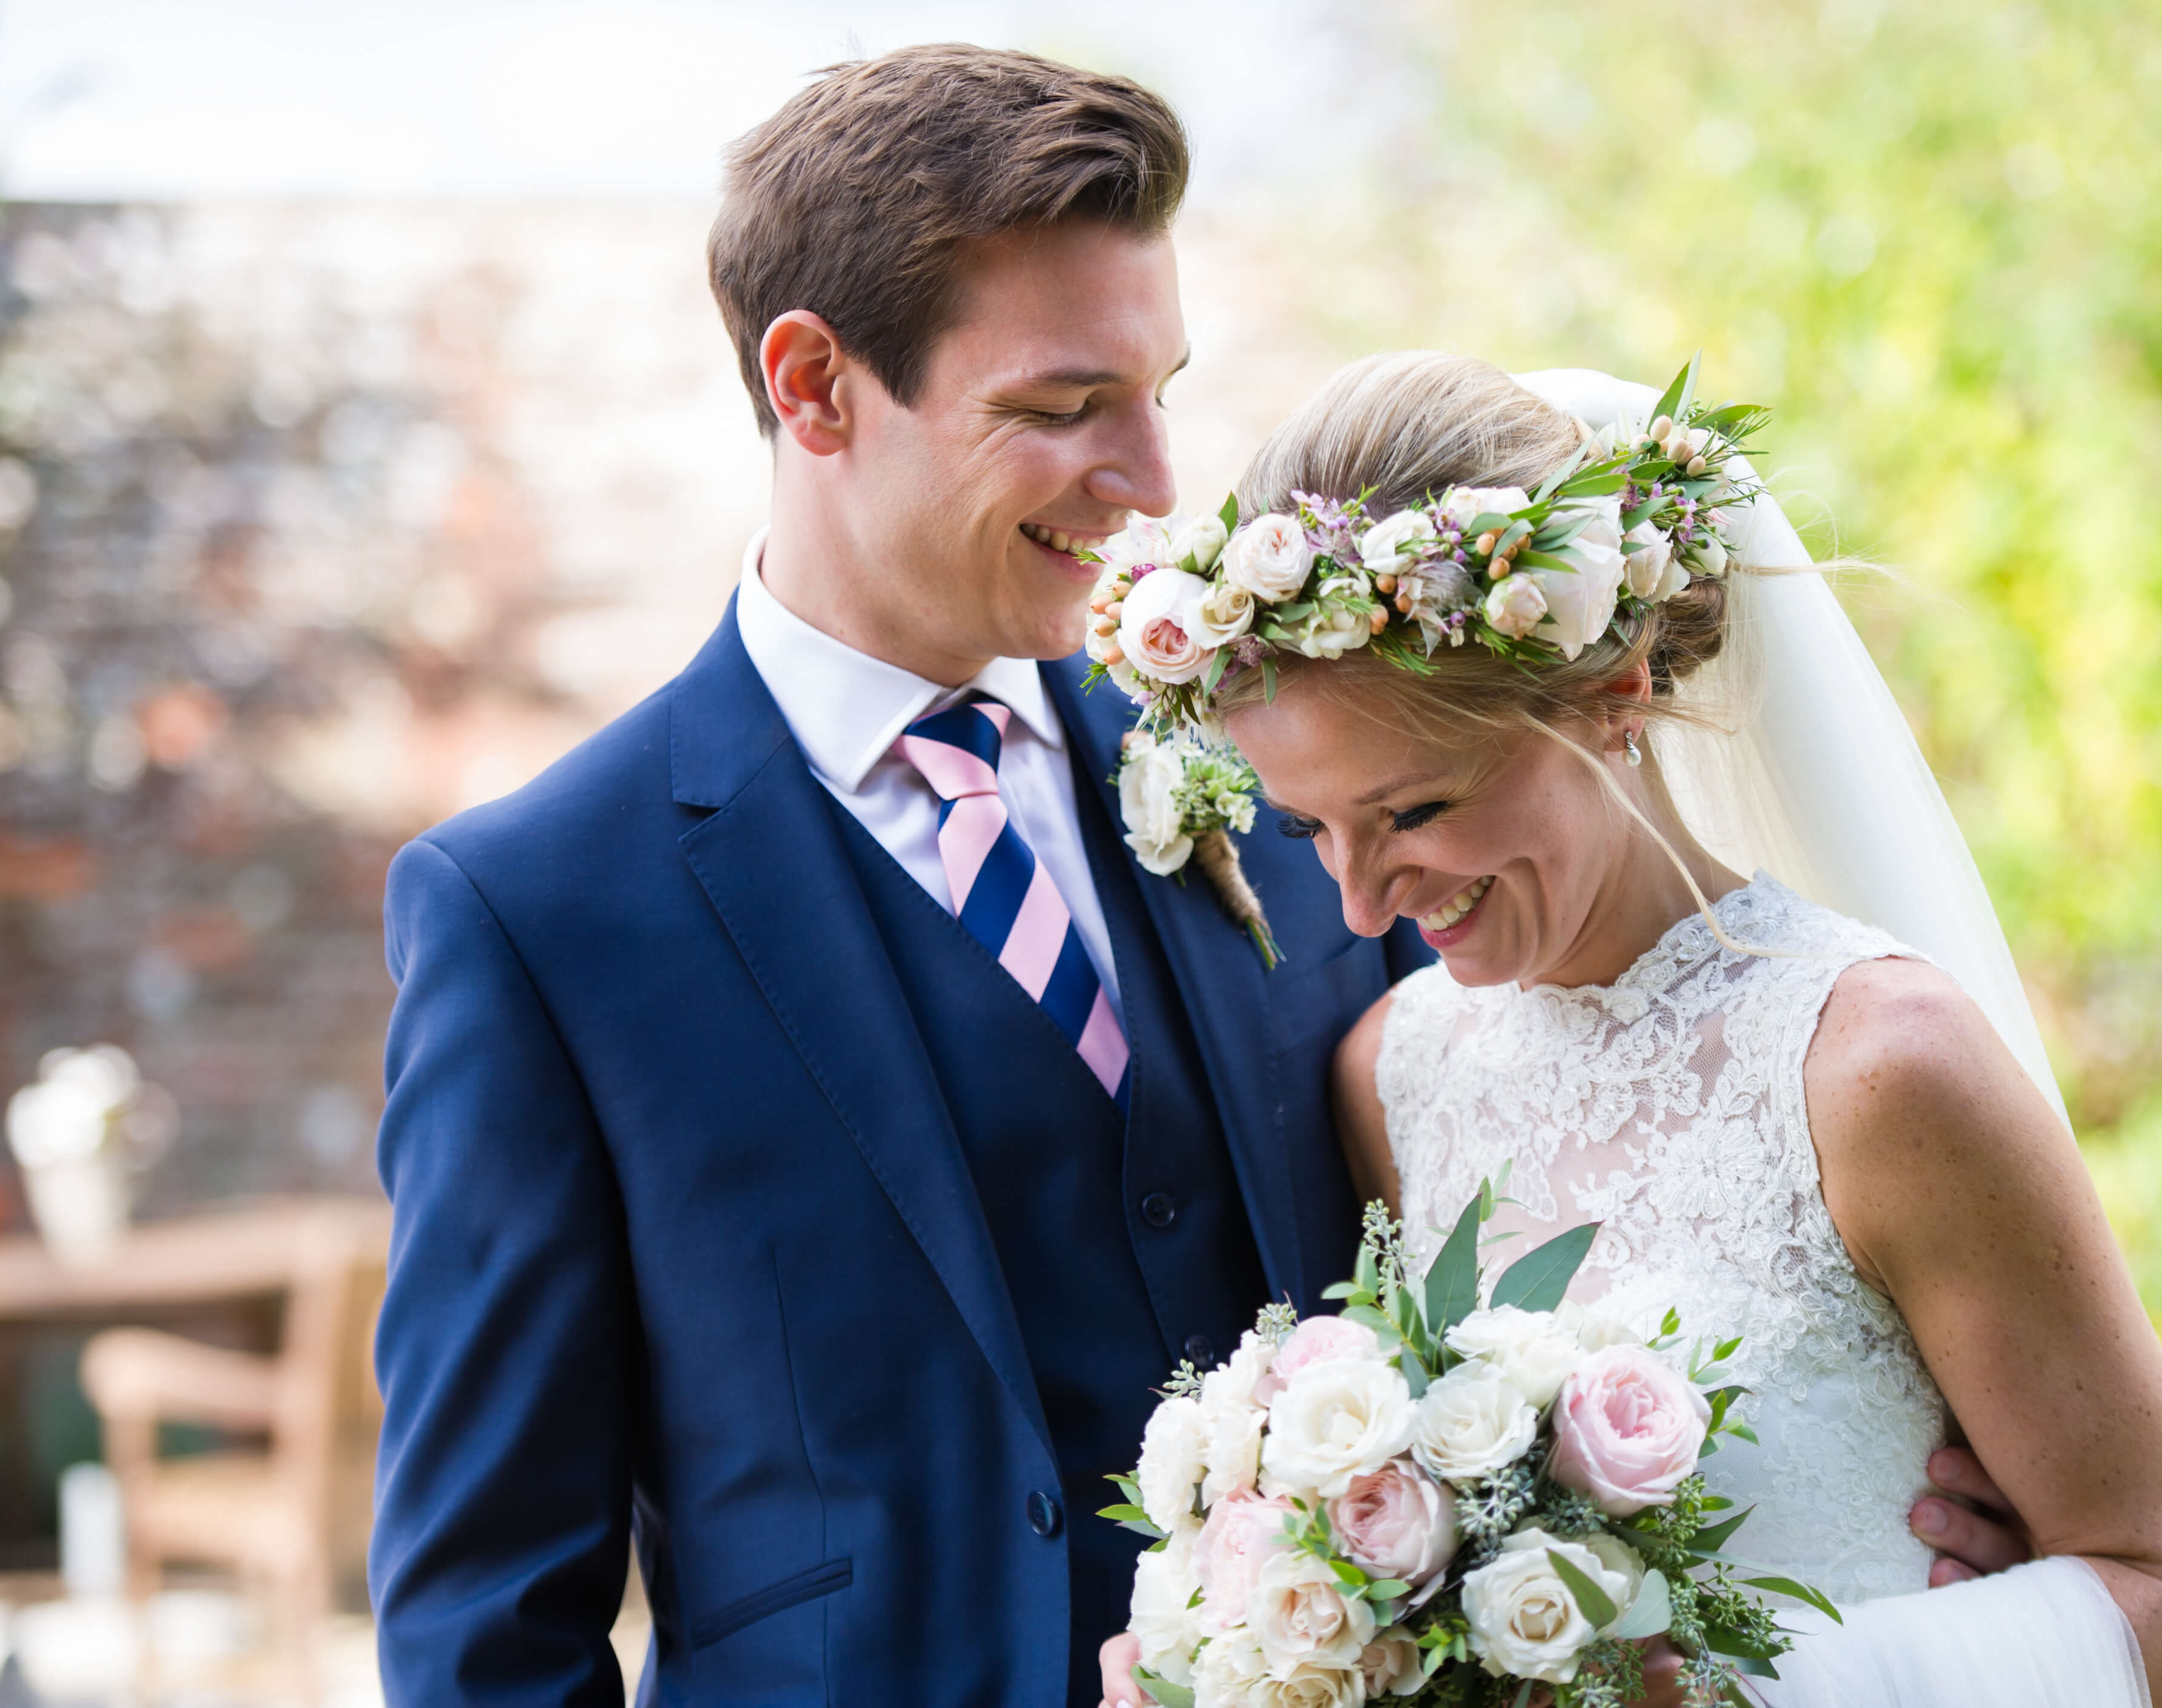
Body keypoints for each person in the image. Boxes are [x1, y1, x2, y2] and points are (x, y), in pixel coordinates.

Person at [366, 47, 1437, 1707]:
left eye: (1160, 391)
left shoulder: (1283, 769)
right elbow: (486, 1625)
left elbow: (1521, 1158)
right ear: (813, 387)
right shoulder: (539, 917)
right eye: (1064, 409)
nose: (1153, 481)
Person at [1100, 351, 2162, 1707]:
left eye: (1411, 813)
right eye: (1308, 830)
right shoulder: (1391, 1073)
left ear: (1613, 694)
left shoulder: (1876, 1069)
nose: (1358, 905)